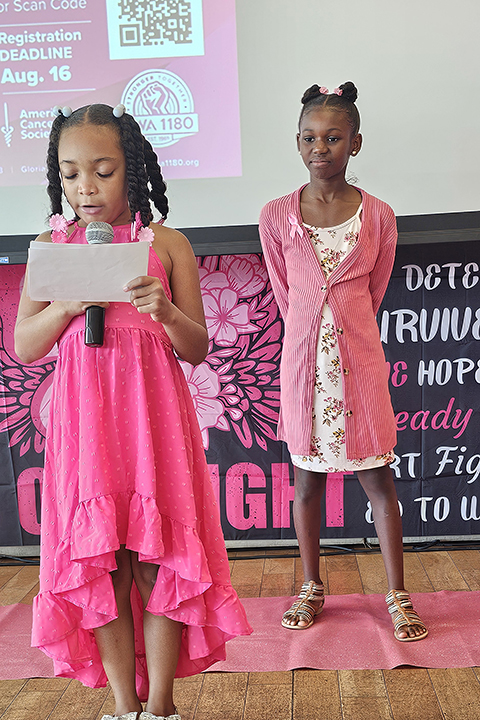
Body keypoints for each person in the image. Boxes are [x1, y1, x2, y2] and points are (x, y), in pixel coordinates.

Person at [15, 103, 251, 720]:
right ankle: (124, 706)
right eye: (70, 174)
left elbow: (196, 347)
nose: (86, 188)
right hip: (86, 430)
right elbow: (25, 344)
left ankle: (161, 706)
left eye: (103, 171)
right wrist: (65, 306)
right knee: (104, 566)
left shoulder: (167, 245)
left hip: (153, 426)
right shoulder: (51, 247)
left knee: (156, 559)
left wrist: (165, 312)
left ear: (133, 169)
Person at [258, 83, 427, 642]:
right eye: (309, 138)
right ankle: (311, 585)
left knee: (378, 479)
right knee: (306, 484)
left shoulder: (378, 215)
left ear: (355, 143)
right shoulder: (276, 216)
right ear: (297, 142)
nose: (319, 148)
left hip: (360, 367)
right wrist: (313, 336)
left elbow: (373, 292)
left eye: (332, 138)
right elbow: (286, 294)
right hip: (305, 371)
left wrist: (345, 332)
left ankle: (397, 594)